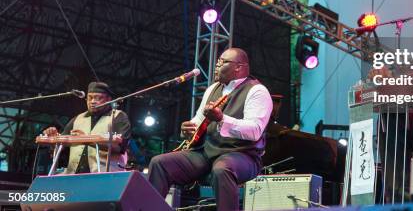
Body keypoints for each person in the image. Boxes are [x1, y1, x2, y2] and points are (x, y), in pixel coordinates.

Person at [148, 48, 272, 211]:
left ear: (239, 67)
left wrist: (221, 119)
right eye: (217, 62)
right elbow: (199, 120)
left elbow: (255, 130)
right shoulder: (213, 89)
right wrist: (187, 129)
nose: (217, 65)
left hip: (243, 155)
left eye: (222, 62)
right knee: (159, 163)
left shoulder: (257, 91)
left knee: (222, 169)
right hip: (207, 153)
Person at [42, 81, 131, 173]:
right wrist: (54, 139)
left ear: (108, 100)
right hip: (74, 175)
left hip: (104, 176)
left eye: (98, 98)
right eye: (90, 98)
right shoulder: (77, 119)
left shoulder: (118, 117)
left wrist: (86, 140)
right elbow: (61, 146)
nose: (93, 101)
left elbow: (120, 147)